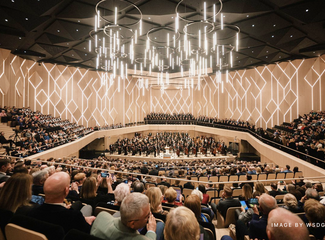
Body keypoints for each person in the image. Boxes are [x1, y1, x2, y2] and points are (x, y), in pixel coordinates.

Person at [28, 172, 95, 234]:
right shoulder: (74, 216)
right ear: (66, 191)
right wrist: (87, 221)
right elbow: (87, 233)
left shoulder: (32, 211)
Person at [91, 193, 157, 240]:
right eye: (147, 216)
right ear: (132, 224)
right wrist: (151, 231)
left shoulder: (102, 216)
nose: (149, 217)